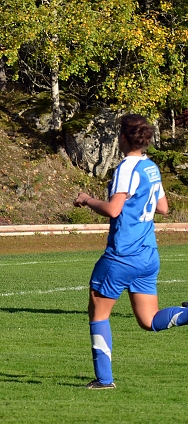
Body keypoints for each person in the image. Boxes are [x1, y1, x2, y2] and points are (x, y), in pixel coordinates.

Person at [73, 114, 188, 389]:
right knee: (149, 320)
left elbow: (114, 209)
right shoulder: (151, 167)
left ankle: (104, 380)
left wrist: (87, 199)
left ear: (123, 137)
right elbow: (163, 208)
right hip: (148, 255)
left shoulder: (126, 168)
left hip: (122, 255)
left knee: (98, 314)